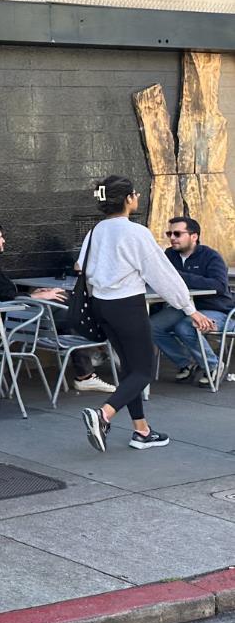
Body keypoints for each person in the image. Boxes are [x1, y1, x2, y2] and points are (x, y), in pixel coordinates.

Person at [79, 177, 217, 452]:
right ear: (129, 199)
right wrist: (188, 308)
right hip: (127, 305)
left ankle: (141, 431)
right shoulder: (135, 233)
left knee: (131, 369)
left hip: (101, 305)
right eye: (135, 194)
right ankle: (103, 414)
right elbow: (163, 275)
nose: (137, 197)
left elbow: (80, 265)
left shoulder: (96, 231)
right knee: (143, 371)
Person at [0, 219, 114, 393]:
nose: (4, 241)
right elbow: (8, 297)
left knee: (65, 306)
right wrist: (38, 296)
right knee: (73, 311)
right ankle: (97, 355)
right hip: (10, 324)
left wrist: (37, 293)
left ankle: (93, 356)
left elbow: (0, 293)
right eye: (0, 237)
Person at [149, 216, 231, 386]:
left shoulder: (211, 256)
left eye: (177, 234)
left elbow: (219, 286)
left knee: (185, 326)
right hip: (183, 307)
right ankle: (186, 364)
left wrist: (179, 277)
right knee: (150, 326)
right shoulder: (169, 255)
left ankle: (214, 365)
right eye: (169, 233)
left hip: (217, 309)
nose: (172, 238)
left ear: (194, 236)